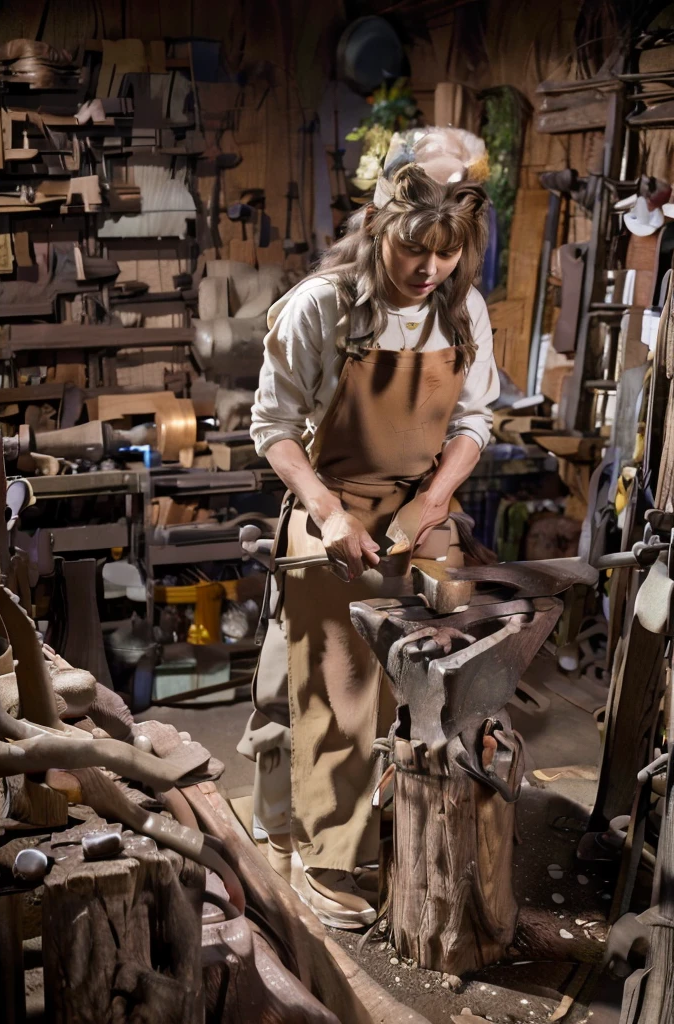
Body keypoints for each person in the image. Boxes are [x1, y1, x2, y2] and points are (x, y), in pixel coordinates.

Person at [238, 128, 499, 929]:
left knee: (440, 682)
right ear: (380, 224)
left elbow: (477, 418)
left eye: (448, 255)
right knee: (337, 692)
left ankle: (395, 826)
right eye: (416, 251)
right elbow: (272, 426)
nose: (430, 271)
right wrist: (325, 510)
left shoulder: (462, 312)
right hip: (335, 500)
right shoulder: (324, 305)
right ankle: (329, 856)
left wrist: (433, 503)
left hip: (420, 510)